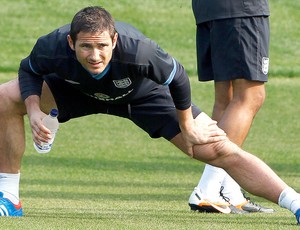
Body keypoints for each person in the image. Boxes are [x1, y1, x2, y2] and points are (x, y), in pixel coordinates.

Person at [0, 6, 299, 224]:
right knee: (5, 97)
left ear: (114, 41)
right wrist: (34, 111)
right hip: (75, 91)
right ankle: (10, 198)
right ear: (70, 43)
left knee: (217, 149)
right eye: (86, 47)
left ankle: (295, 203)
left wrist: (187, 126)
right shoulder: (51, 46)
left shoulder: (139, 52)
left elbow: (178, 77)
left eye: (102, 46)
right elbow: (29, 69)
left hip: (141, 96)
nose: (95, 55)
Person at [188, 0, 274, 214]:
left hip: (211, 9)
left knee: (226, 99)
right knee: (251, 96)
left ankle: (228, 190)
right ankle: (208, 188)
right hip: (241, 9)